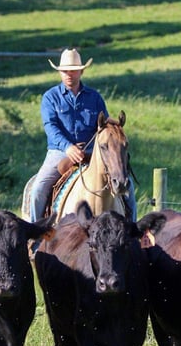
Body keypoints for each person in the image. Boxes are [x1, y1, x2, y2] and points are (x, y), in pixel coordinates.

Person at [29, 48, 137, 222]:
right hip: (59, 152)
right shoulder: (50, 98)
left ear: (81, 71)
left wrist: (114, 124)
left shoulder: (94, 98)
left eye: (73, 70)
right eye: (65, 71)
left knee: (127, 185)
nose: (69, 74)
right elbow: (51, 126)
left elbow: (103, 126)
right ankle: (34, 235)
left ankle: (133, 232)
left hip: (94, 151)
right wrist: (68, 147)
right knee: (38, 190)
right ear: (60, 72)